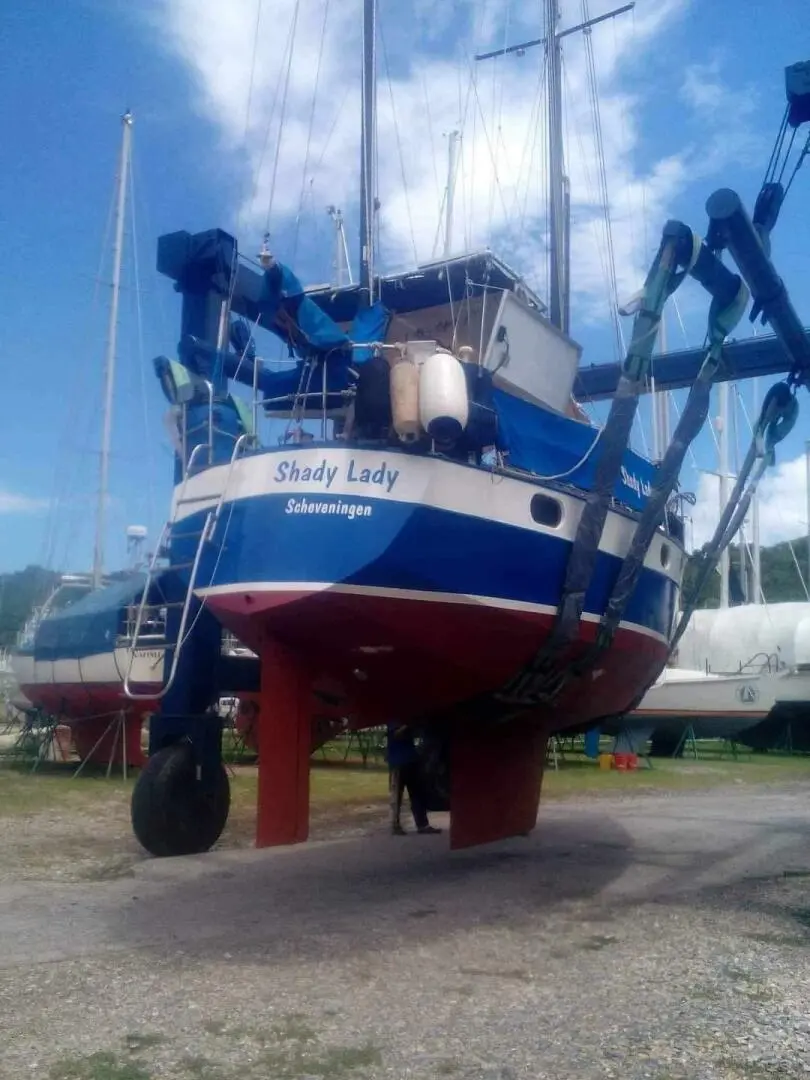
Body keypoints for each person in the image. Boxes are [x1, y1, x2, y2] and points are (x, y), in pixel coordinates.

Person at [386, 722, 441, 835]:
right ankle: (395, 825)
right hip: (398, 762)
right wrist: (408, 725)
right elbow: (396, 734)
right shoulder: (394, 717)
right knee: (396, 796)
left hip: (411, 760)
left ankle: (422, 824)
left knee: (417, 794)